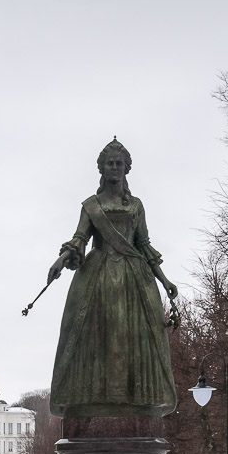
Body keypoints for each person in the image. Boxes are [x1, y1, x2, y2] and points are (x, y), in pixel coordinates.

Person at [45, 138, 178, 418]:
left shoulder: (137, 206)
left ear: (126, 169)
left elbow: (144, 244)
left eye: (119, 164)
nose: (114, 168)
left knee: (132, 339)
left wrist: (165, 282)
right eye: (110, 163)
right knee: (96, 338)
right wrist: (61, 259)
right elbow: (80, 238)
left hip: (133, 279)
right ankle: (93, 397)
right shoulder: (91, 206)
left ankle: (132, 398)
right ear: (102, 169)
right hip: (98, 278)